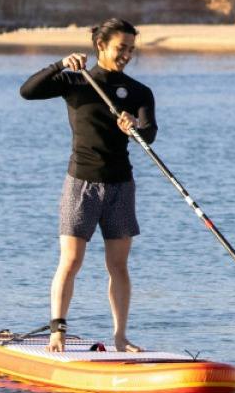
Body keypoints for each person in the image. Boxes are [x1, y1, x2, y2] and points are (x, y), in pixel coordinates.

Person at [19, 18, 156, 354]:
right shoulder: (76, 82)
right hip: (81, 183)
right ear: (101, 46)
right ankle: (57, 332)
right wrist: (60, 64)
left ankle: (120, 337)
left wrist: (135, 126)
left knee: (118, 265)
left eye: (131, 50)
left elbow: (150, 135)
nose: (126, 54)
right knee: (71, 260)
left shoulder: (139, 92)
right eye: (121, 48)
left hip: (120, 186)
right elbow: (27, 91)